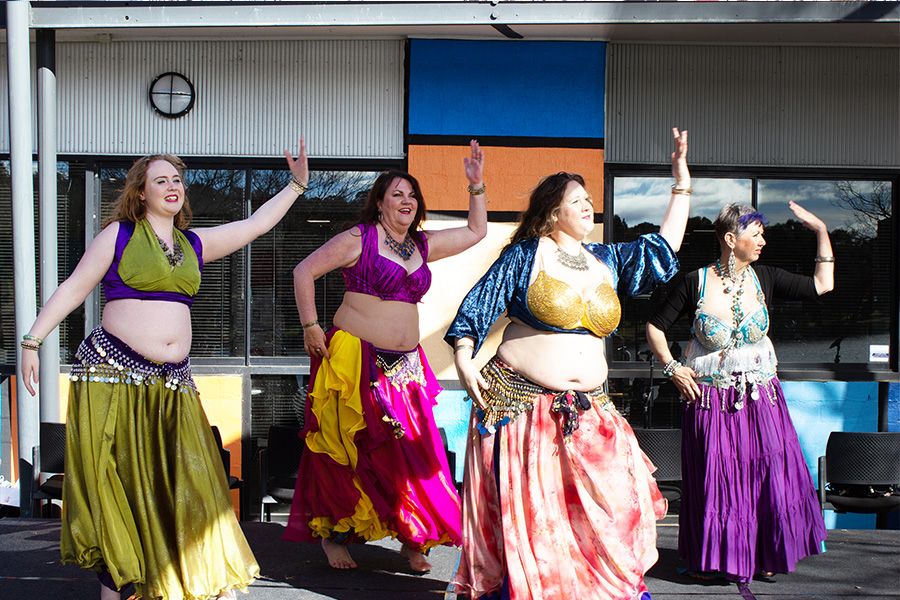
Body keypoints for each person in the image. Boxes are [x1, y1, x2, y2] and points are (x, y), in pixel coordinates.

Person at [19, 141, 311, 600]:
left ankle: (182, 575)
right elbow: (75, 286)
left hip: (172, 385)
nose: (172, 186)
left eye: (177, 179)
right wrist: (33, 340)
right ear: (141, 193)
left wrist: (296, 185)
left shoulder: (193, 244)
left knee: (182, 479)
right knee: (120, 482)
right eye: (161, 180)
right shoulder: (116, 235)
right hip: (113, 377)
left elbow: (254, 225)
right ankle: (117, 583)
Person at [445, 128, 691, 600]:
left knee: (617, 505)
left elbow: (665, 247)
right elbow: (477, 308)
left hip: (589, 411)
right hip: (524, 407)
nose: (587, 206)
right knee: (541, 523)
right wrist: (463, 358)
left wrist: (681, 180)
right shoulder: (525, 255)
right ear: (552, 212)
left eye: (589, 199)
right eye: (576, 200)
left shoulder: (608, 259)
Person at [283, 140, 488, 572]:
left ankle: (415, 541)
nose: (406, 201)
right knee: (350, 450)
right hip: (356, 359)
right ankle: (335, 536)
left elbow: (476, 232)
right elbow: (304, 270)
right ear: (379, 203)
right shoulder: (359, 238)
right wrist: (310, 324)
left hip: (407, 368)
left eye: (412, 195)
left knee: (418, 455)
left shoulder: (422, 246)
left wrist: (476, 186)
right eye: (397, 193)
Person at [646, 202, 832, 586]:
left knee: (766, 474)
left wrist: (821, 230)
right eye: (756, 234)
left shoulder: (765, 276)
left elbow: (822, 285)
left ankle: (764, 553)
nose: (762, 241)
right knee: (719, 478)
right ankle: (717, 556)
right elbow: (655, 326)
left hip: (761, 401)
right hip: (712, 402)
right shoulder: (694, 282)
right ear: (732, 240)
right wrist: (673, 368)